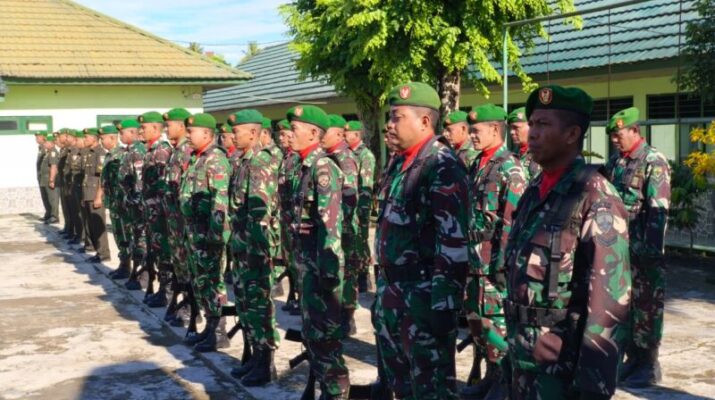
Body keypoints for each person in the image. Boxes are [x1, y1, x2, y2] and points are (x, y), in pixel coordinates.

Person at [504, 85, 631, 400]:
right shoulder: (535, 190)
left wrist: (593, 386)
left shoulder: (595, 196)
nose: (532, 133)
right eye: (531, 123)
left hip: (562, 367)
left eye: (543, 124)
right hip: (524, 357)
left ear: (572, 134)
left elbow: (608, 302)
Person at [374, 82, 469, 399]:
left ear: (425, 121)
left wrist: (443, 309)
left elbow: (453, 241)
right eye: (389, 116)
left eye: (397, 117)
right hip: (394, 295)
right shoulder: (400, 162)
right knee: (402, 387)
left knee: (432, 389)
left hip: (423, 302)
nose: (389, 124)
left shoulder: (441, 165)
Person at [461, 104, 526, 400]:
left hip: (494, 265)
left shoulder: (510, 168)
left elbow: (513, 223)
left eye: (476, 131)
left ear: (495, 130)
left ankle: (505, 383)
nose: (471, 136)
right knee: (478, 323)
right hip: (474, 261)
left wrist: (502, 267)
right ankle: (491, 376)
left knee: (496, 325)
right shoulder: (479, 164)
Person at [604, 107, 671, 388]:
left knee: (647, 308)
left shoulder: (653, 161)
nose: (614, 140)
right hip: (620, 251)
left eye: (618, 134)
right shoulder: (617, 163)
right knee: (627, 308)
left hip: (644, 253)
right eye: (612, 136)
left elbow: (658, 210)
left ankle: (649, 364)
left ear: (634, 131)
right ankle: (633, 358)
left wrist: (650, 253)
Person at [288, 104, 350, 399]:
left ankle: (336, 392)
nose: (289, 134)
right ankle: (325, 388)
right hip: (308, 264)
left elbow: (330, 224)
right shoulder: (304, 167)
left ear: (313, 133)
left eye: (294, 129)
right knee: (313, 334)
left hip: (322, 267)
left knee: (325, 338)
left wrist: (328, 274)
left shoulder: (323, 168)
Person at [226, 109, 280, 386]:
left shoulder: (260, 162)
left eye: (237, 131)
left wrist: (258, 253)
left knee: (259, 305)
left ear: (253, 133)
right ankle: (254, 356)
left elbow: (261, 213)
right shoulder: (243, 160)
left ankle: (265, 362)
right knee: (245, 303)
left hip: (255, 249)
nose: (232, 135)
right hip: (242, 246)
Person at [180, 113, 232, 353]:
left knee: (214, 282)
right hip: (195, 233)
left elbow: (220, 203)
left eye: (191, 131)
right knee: (201, 282)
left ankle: (219, 331)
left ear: (207, 134)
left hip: (208, 235)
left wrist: (216, 236)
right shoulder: (197, 159)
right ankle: (210, 326)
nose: (188, 135)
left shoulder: (215, 160)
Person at [323, 114, 360, 337]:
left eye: (325, 132)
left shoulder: (344, 158)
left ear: (338, 134)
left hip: (344, 226)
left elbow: (350, 196)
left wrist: (339, 223)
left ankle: (347, 315)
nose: (321, 136)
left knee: (347, 271)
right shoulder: (327, 157)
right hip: (333, 226)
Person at [161, 108, 197, 328]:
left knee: (187, 266)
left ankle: (191, 308)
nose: (166, 129)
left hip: (183, 221)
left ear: (181, 127)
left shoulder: (186, 151)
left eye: (169, 125)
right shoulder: (176, 150)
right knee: (179, 265)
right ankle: (183, 303)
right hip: (174, 219)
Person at [138, 112, 173, 307]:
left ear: (155, 128)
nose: (140, 131)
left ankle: (167, 292)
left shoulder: (161, 150)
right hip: (152, 211)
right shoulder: (151, 150)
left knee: (164, 252)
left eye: (144, 128)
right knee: (156, 251)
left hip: (159, 213)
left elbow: (162, 184)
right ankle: (162, 289)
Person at [344, 120, 376, 293]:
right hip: (349, 206)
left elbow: (366, 185)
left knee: (361, 240)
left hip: (360, 206)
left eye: (347, 132)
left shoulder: (365, 155)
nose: (344, 135)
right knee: (353, 240)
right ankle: (356, 273)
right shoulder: (347, 154)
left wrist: (362, 210)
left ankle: (364, 276)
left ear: (356, 135)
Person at [117, 119, 148, 290]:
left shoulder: (137, 151)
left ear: (131, 132)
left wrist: (136, 203)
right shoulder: (129, 151)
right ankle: (136, 273)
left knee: (141, 241)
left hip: (138, 206)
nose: (120, 136)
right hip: (131, 204)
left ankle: (143, 276)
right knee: (135, 240)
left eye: (122, 133)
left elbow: (139, 181)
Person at [99, 125, 133, 279]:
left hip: (121, 203)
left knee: (125, 235)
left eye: (103, 138)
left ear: (112, 138)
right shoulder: (109, 155)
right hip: (113, 202)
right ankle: (123, 264)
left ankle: (127, 267)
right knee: (118, 234)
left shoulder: (121, 154)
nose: (101, 141)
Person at [276, 119, 302, 314]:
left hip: (295, 217)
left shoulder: (298, 159)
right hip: (285, 216)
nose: (281, 138)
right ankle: (293, 293)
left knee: (297, 259)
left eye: (285, 134)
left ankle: (300, 297)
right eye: (281, 134)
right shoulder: (284, 157)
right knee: (289, 258)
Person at [81, 128, 110, 262]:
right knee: (90, 224)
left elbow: (101, 178)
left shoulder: (100, 153)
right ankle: (96, 250)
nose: (85, 139)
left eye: (87, 137)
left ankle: (104, 254)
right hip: (87, 192)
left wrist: (98, 196)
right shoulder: (89, 152)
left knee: (98, 225)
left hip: (94, 194)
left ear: (94, 138)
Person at [508, 107, 541, 181]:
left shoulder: (541, 153)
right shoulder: (514, 152)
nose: (511, 132)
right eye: (511, 128)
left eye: (516, 128)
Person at [39, 133, 60, 224]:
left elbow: (53, 167)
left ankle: (54, 216)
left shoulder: (53, 152)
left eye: (46, 142)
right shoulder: (47, 153)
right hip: (44, 179)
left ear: (52, 143)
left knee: (52, 198)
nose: (44, 144)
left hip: (49, 179)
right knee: (47, 198)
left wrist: (52, 180)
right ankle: (49, 214)